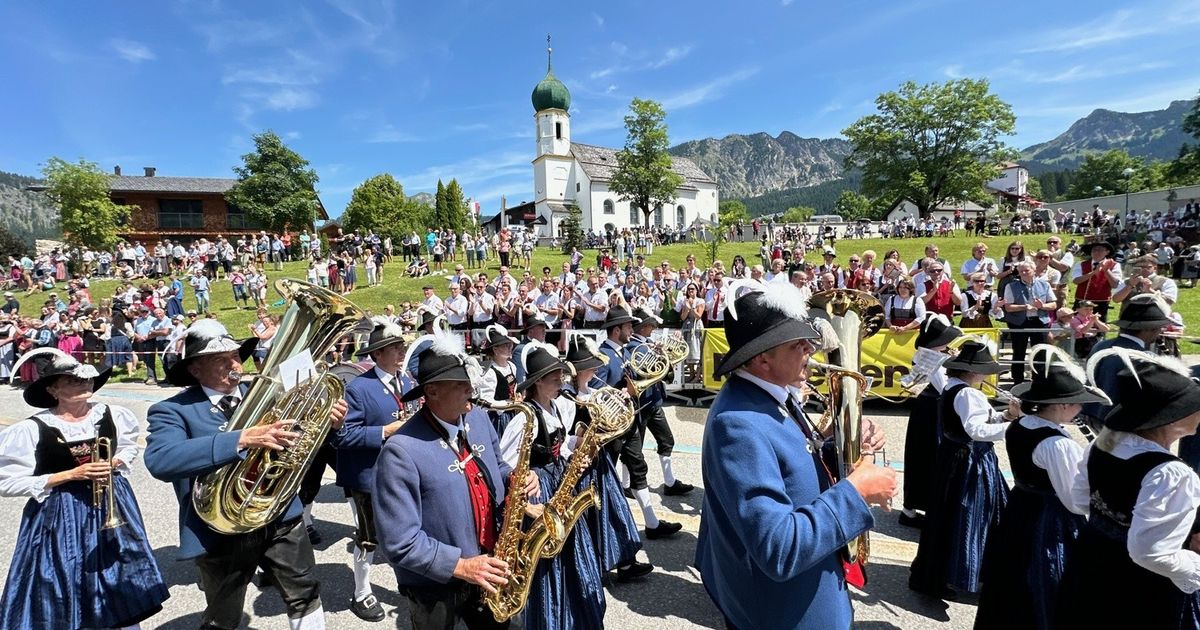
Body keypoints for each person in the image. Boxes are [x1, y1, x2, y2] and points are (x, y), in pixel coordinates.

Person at [696, 281, 895, 630]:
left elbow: (792, 461)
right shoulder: (738, 424)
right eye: (796, 343)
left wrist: (842, 444)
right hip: (785, 612)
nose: (810, 347)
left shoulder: (771, 394)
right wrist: (857, 491)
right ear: (762, 358)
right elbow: (778, 548)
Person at [144, 320, 348, 630]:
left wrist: (329, 425)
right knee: (224, 615)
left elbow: (303, 439)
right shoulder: (173, 410)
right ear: (195, 370)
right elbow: (160, 460)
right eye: (220, 359)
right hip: (219, 526)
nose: (234, 365)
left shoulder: (267, 392)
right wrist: (240, 439)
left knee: (305, 593)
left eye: (236, 356)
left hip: (279, 514)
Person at [373, 327, 538, 630]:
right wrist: (462, 566)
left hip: (489, 565)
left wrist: (518, 478)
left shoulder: (478, 418)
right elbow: (399, 541)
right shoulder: (400, 451)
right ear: (432, 391)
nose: (471, 390)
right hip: (436, 588)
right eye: (461, 384)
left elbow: (498, 467)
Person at [0, 350, 168, 630]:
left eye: (86, 379)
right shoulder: (31, 429)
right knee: (62, 574)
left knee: (119, 567)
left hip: (111, 500)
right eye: (72, 381)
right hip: (60, 510)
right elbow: (6, 482)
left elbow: (128, 448)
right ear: (53, 390)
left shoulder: (113, 415)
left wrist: (115, 462)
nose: (84, 384)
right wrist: (70, 474)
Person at [1058, 351, 1200, 628]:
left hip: (1092, 564)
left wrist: (1113, 521)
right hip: (1140, 587)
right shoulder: (1171, 474)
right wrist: (1194, 567)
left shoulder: (1103, 445)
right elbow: (1150, 553)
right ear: (1171, 419)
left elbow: (1080, 500)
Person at [974, 345, 1109, 630]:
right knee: (1046, 582)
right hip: (1050, 521)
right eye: (1076, 402)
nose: (1081, 408)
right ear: (1060, 405)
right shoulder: (1058, 444)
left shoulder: (1021, 425)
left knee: (1013, 575)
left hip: (1021, 509)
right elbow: (1074, 501)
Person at [501, 344, 606, 629]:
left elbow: (559, 445)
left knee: (574, 557)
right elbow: (505, 465)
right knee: (549, 564)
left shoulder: (556, 407)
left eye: (561, 375)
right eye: (554, 377)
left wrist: (578, 445)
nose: (561, 380)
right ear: (537, 382)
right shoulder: (524, 419)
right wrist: (524, 503)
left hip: (560, 486)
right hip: (541, 493)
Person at [909, 340, 1017, 600]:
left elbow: (979, 421)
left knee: (947, 514)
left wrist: (1007, 415)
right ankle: (959, 571)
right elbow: (976, 430)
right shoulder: (968, 394)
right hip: (969, 462)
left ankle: (940, 572)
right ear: (973, 371)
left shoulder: (952, 386)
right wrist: (1016, 427)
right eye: (984, 370)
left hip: (953, 457)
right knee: (968, 516)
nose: (986, 375)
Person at [331, 319, 412, 623]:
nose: (401, 351)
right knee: (369, 537)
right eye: (394, 347)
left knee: (406, 529)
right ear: (377, 354)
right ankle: (361, 592)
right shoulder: (357, 388)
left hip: (401, 472)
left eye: (402, 346)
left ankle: (406, 578)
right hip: (369, 476)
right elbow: (341, 437)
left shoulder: (407, 380)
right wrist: (385, 431)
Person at [561, 335, 653, 582]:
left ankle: (625, 561)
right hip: (580, 464)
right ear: (579, 370)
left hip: (599, 461)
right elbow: (564, 435)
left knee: (614, 509)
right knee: (590, 517)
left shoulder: (593, 390)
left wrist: (621, 399)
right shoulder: (566, 397)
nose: (595, 370)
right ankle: (595, 566)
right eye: (590, 367)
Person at [596, 306, 681, 540]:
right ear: (616, 330)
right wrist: (619, 394)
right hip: (613, 427)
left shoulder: (624, 352)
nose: (631, 330)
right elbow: (595, 392)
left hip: (630, 420)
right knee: (606, 474)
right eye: (627, 327)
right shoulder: (603, 356)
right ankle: (601, 527)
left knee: (638, 468)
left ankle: (652, 524)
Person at [900, 314, 962, 528]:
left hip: (931, 411)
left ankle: (921, 508)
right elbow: (945, 387)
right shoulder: (931, 358)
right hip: (930, 413)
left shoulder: (937, 355)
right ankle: (916, 510)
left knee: (927, 458)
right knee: (927, 458)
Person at [1081, 293, 1173, 430]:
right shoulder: (1144, 357)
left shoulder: (1101, 346)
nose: (1160, 331)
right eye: (1158, 327)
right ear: (1148, 329)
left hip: (1091, 414)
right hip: (1120, 422)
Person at [628, 307, 693, 496]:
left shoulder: (648, 344)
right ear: (643, 327)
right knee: (634, 449)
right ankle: (627, 484)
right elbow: (638, 373)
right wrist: (656, 355)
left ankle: (669, 482)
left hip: (654, 402)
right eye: (651, 325)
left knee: (667, 441)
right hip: (641, 404)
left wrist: (665, 355)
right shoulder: (633, 347)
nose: (654, 327)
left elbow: (665, 372)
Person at [1002, 261, 1057, 384]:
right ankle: (1017, 380)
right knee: (1018, 351)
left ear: (1034, 270)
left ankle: (1039, 380)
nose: (1024, 273)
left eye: (1026, 270)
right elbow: (1008, 307)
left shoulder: (1044, 284)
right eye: (1021, 271)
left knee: (1040, 352)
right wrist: (1025, 307)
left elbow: (1053, 304)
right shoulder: (1010, 286)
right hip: (1019, 322)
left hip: (1039, 321)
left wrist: (1042, 306)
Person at [475, 324, 519, 436]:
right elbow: (486, 402)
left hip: (513, 413)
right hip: (499, 419)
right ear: (495, 349)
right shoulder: (490, 372)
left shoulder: (512, 366)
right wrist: (509, 404)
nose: (510, 347)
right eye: (505, 345)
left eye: (510, 344)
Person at [1071, 240, 1122, 321]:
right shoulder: (1081, 264)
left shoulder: (1115, 265)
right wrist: (1093, 272)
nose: (1096, 252)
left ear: (1107, 252)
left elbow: (1115, 284)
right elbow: (1076, 281)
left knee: (1098, 326)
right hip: (1081, 301)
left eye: (1100, 250)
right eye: (1094, 250)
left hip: (1101, 303)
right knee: (1078, 325)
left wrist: (1106, 270)